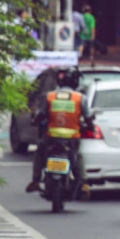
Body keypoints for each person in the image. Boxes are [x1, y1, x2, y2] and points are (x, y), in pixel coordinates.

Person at [25, 68, 93, 200]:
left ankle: (35, 180)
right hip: (71, 139)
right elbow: (88, 118)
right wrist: (91, 127)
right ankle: (84, 184)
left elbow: (41, 115)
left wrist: (34, 122)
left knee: (39, 153)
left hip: (51, 138)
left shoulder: (50, 96)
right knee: (78, 157)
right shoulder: (80, 98)